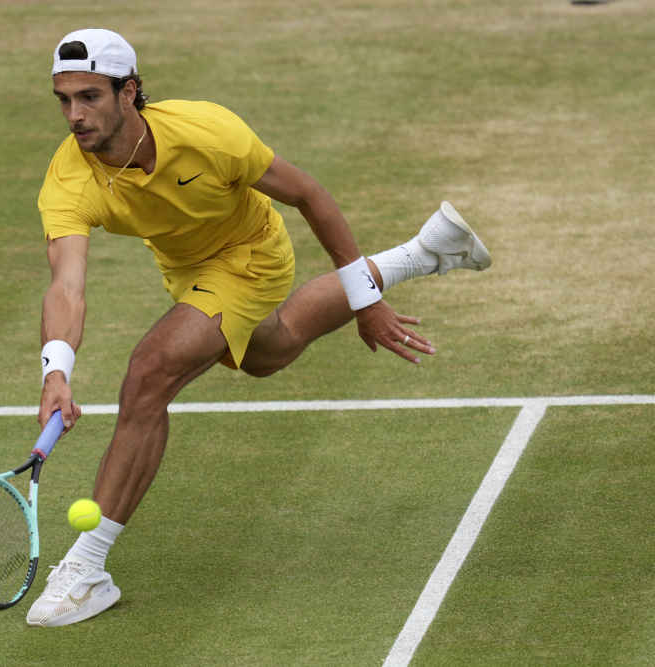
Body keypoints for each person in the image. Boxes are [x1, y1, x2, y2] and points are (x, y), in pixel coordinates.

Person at [26, 28, 492, 627]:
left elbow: (310, 195)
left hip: (251, 254)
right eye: (64, 100)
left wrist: (366, 300)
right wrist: (55, 370)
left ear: (129, 92)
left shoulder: (207, 132)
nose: (74, 115)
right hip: (186, 269)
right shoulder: (69, 177)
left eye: (89, 96)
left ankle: (88, 571)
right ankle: (425, 251)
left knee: (149, 377)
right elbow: (67, 283)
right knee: (271, 351)